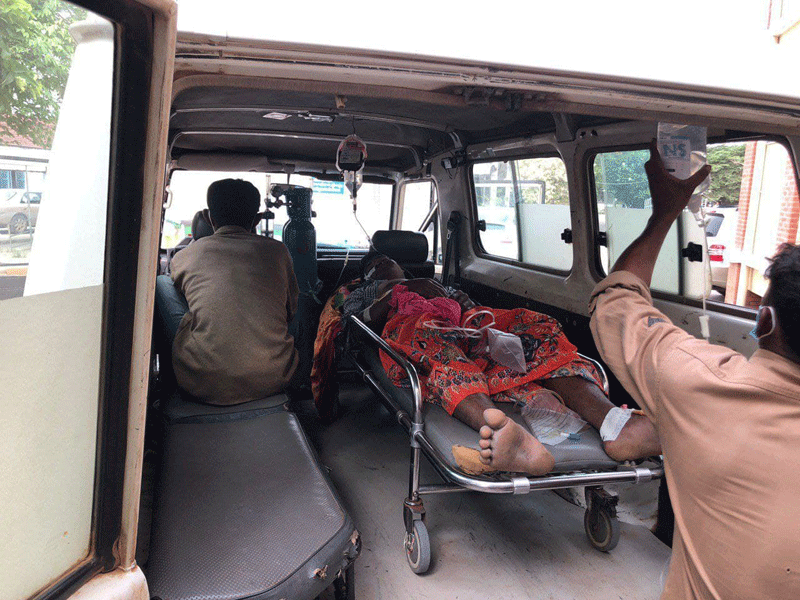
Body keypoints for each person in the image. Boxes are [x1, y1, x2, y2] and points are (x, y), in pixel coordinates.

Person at [589, 140, 800, 599]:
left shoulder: (703, 383)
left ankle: (645, 427)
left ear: (764, 321)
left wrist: (666, 212)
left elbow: (616, 301)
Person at [344, 251, 661, 476]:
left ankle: (615, 425)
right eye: (375, 266)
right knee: (440, 352)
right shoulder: (364, 291)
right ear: (367, 275)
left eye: (387, 261)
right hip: (414, 330)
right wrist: (398, 291)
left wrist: (466, 307)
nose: (384, 266)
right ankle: (514, 440)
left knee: (535, 329)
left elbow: (472, 307)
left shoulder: (437, 282)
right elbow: (357, 323)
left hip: (470, 328)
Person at [168, 178, 299, 405]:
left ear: (209, 217)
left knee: (163, 283)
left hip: (203, 381)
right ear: (257, 220)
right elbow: (291, 310)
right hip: (273, 377)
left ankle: (167, 379)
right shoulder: (278, 252)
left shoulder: (185, 256)